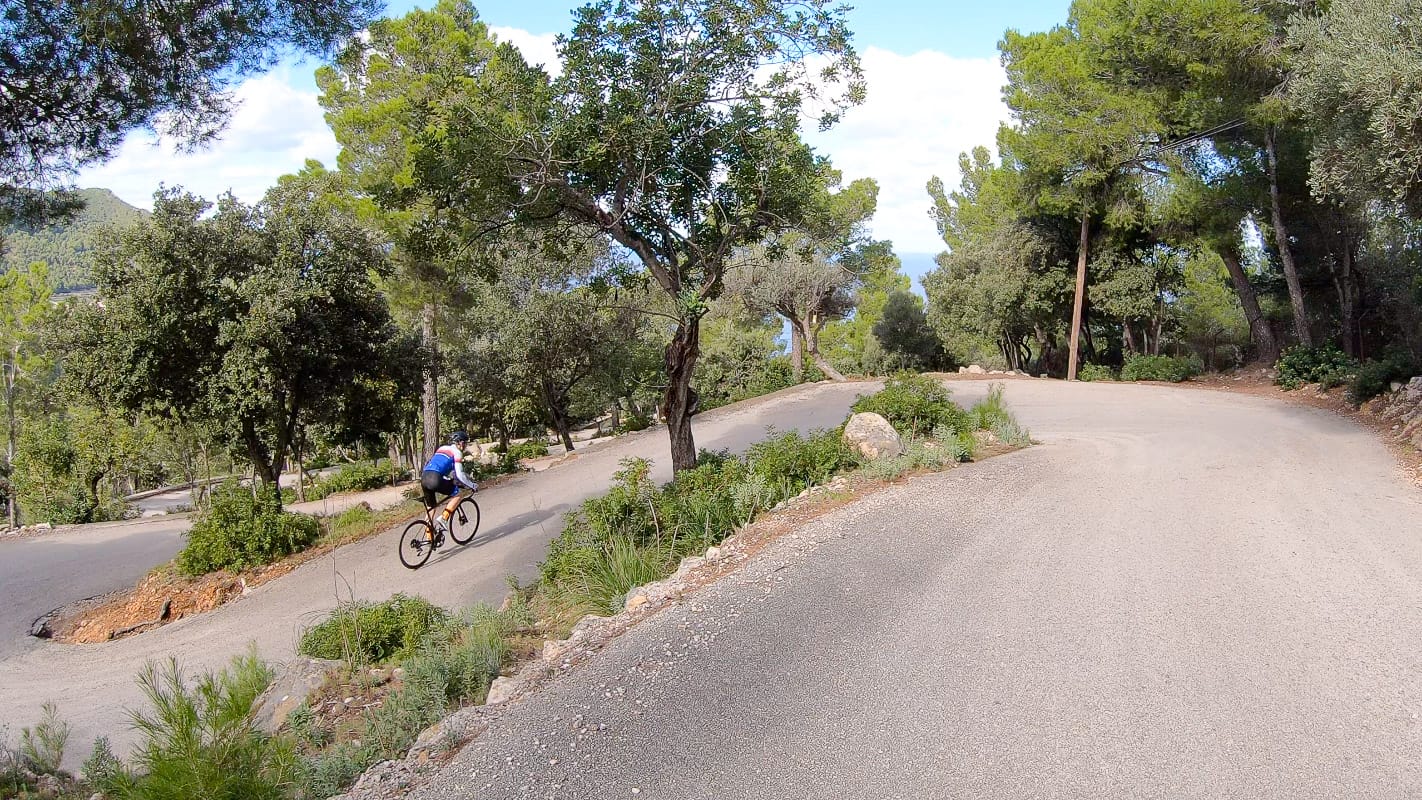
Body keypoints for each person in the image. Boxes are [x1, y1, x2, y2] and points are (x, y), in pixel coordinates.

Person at [420, 431, 480, 522]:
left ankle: (429, 534)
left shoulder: (442, 448)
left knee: (431, 507)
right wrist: (472, 485)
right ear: (461, 443)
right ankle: (444, 518)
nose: (465, 446)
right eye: (465, 443)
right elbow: (459, 474)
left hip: (424, 477)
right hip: (435, 478)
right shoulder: (457, 453)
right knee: (458, 494)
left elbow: (443, 465)